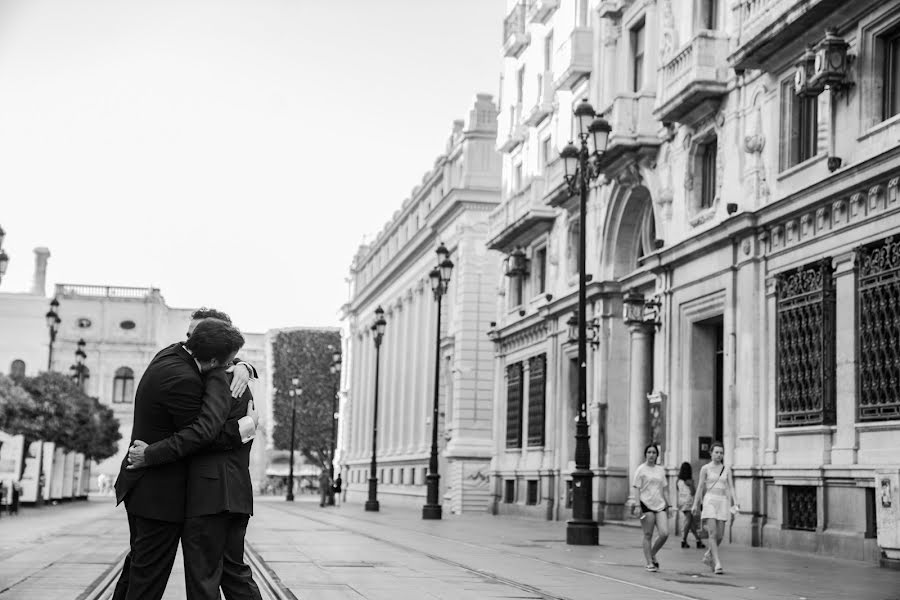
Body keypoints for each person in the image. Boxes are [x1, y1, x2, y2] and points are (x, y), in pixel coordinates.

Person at [121, 308, 262, 600]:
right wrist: (245, 426)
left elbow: (203, 434)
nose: (190, 339)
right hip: (204, 494)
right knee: (227, 573)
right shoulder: (195, 374)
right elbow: (203, 433)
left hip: (208, 497)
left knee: (195, 579)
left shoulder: (199, 370)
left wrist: (244, 423)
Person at [691, 441, 738, 575]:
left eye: (721, 453)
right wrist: (695, 504)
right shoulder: (705, 468)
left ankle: (708, 555)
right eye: (716, 452)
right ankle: (717, 563)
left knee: (721, 535)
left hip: (722, 501)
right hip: (710, 500)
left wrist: (735, 501)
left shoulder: (727, 469)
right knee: (713, 534)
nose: (719, 455)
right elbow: (700, 487)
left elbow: (731, 487)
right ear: (711, 453)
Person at [631, 443, 669, 572]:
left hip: (660, 504)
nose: (651, 455)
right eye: (649, 452)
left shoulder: (660, 470)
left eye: (654, 452)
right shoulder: (641, 469)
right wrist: (637, 505)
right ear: (645, 454)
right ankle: (649, 562)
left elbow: (664, 488)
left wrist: (668, 504)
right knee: (648, 534)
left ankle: (652, 554)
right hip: (645, 504)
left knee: (664, 533)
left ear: (657, 455)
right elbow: (636, 487)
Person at [677, 462, 704, 549]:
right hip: (688, 503)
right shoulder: (689, 481)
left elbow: (678, 491)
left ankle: (698, 540)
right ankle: (683, 540)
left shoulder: (678, 481)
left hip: (681, 502)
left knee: (691, 523)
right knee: (688, 521)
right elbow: (693, 492)